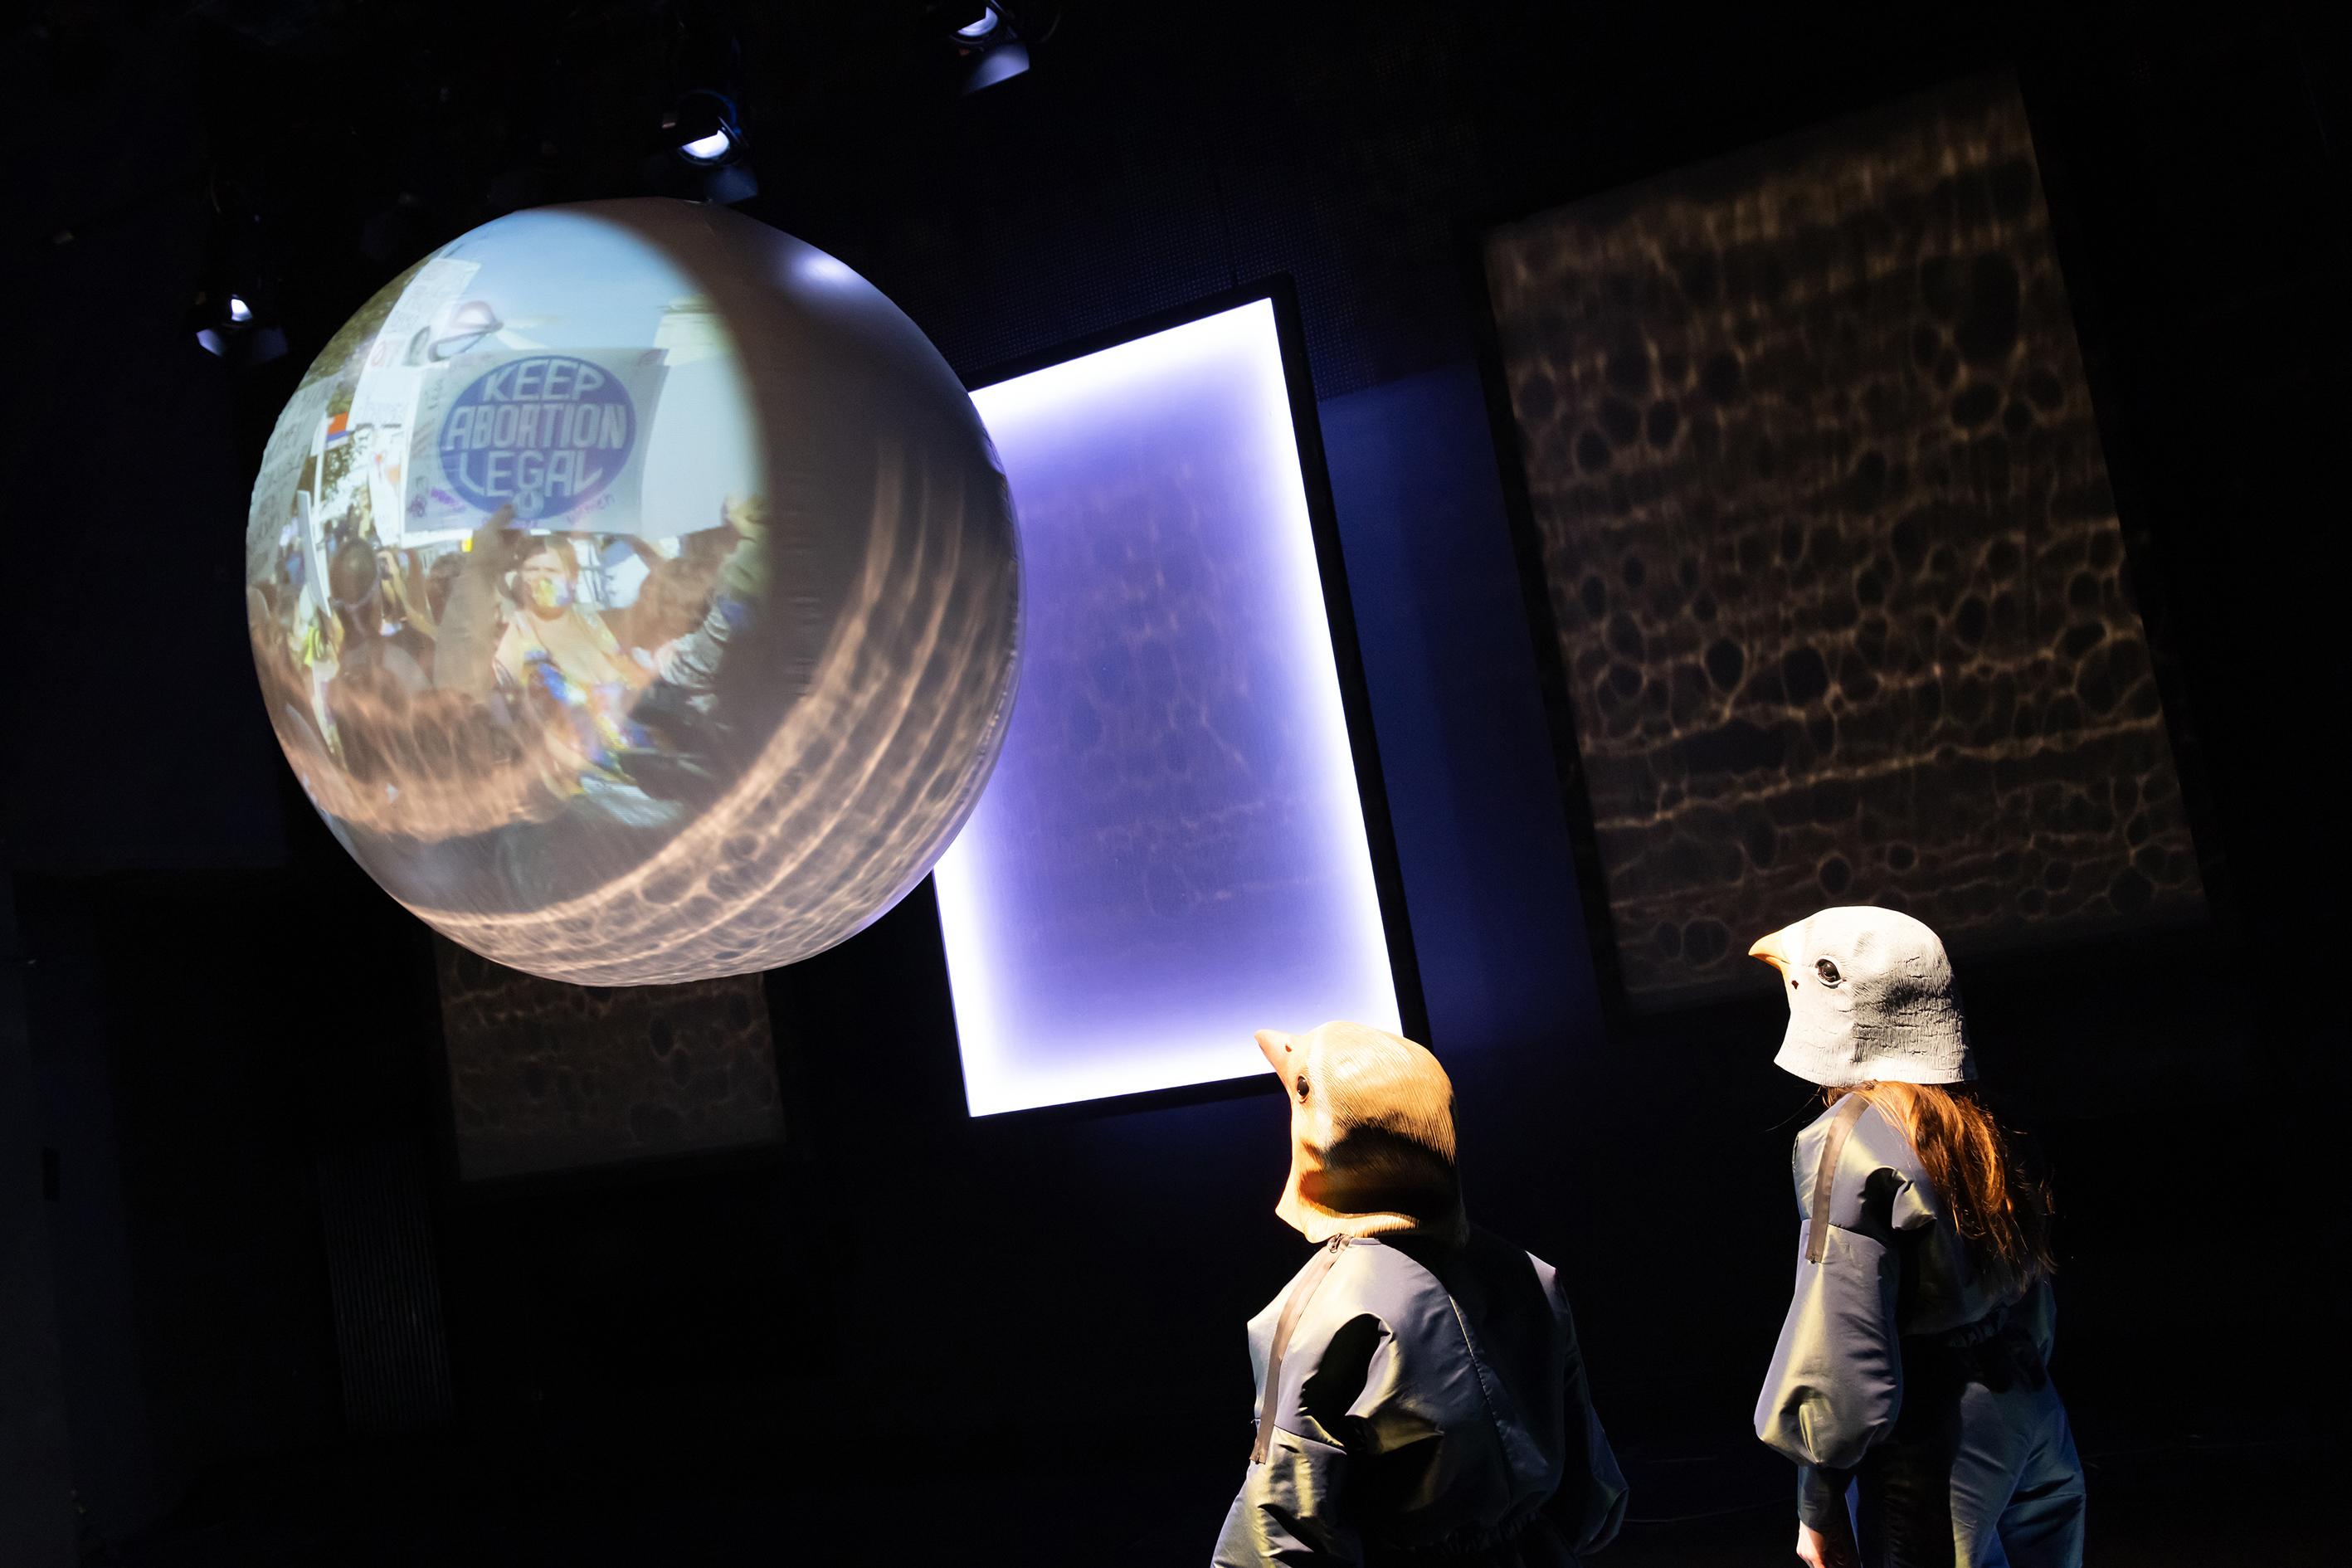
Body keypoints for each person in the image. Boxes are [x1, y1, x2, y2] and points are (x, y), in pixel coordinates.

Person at [1214, 1021, 1627, 1567]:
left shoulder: (1320, 1311)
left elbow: (1283, 1519)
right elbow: (1588, 1477)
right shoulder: (1524, 1272)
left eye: (1304, 1090)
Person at [1748, 907, 2085, 1568]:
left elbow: (1839, 1336)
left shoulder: (1846, 1141)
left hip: (1937, 1439)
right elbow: (2031, 1295)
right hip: (2031, 1408)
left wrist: (1816, 1500)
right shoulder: (1980, 1120)